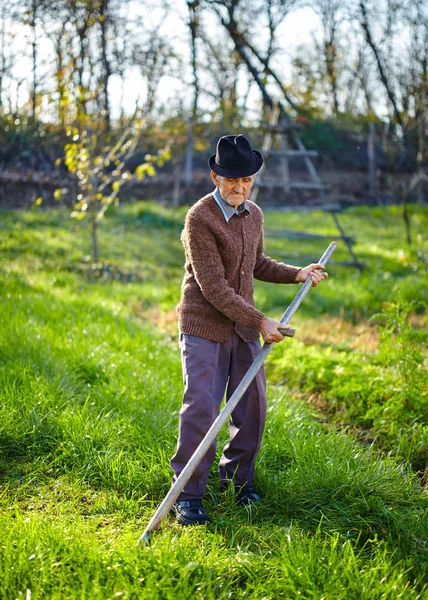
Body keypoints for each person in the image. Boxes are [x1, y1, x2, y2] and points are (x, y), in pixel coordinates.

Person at [170, 134, 328, 526]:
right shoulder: (199, 218)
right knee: (201, 409)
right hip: (204, 325)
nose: (240, 187)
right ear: (215, 177)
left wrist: (297, 273)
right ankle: (187, 496)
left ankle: (238, 483)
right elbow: (214, 288)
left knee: (253, 409)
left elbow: (257, 263)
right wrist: (261, 321)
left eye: (247, 180)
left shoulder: (253, 214)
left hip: (242, 328)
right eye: (232, 181)